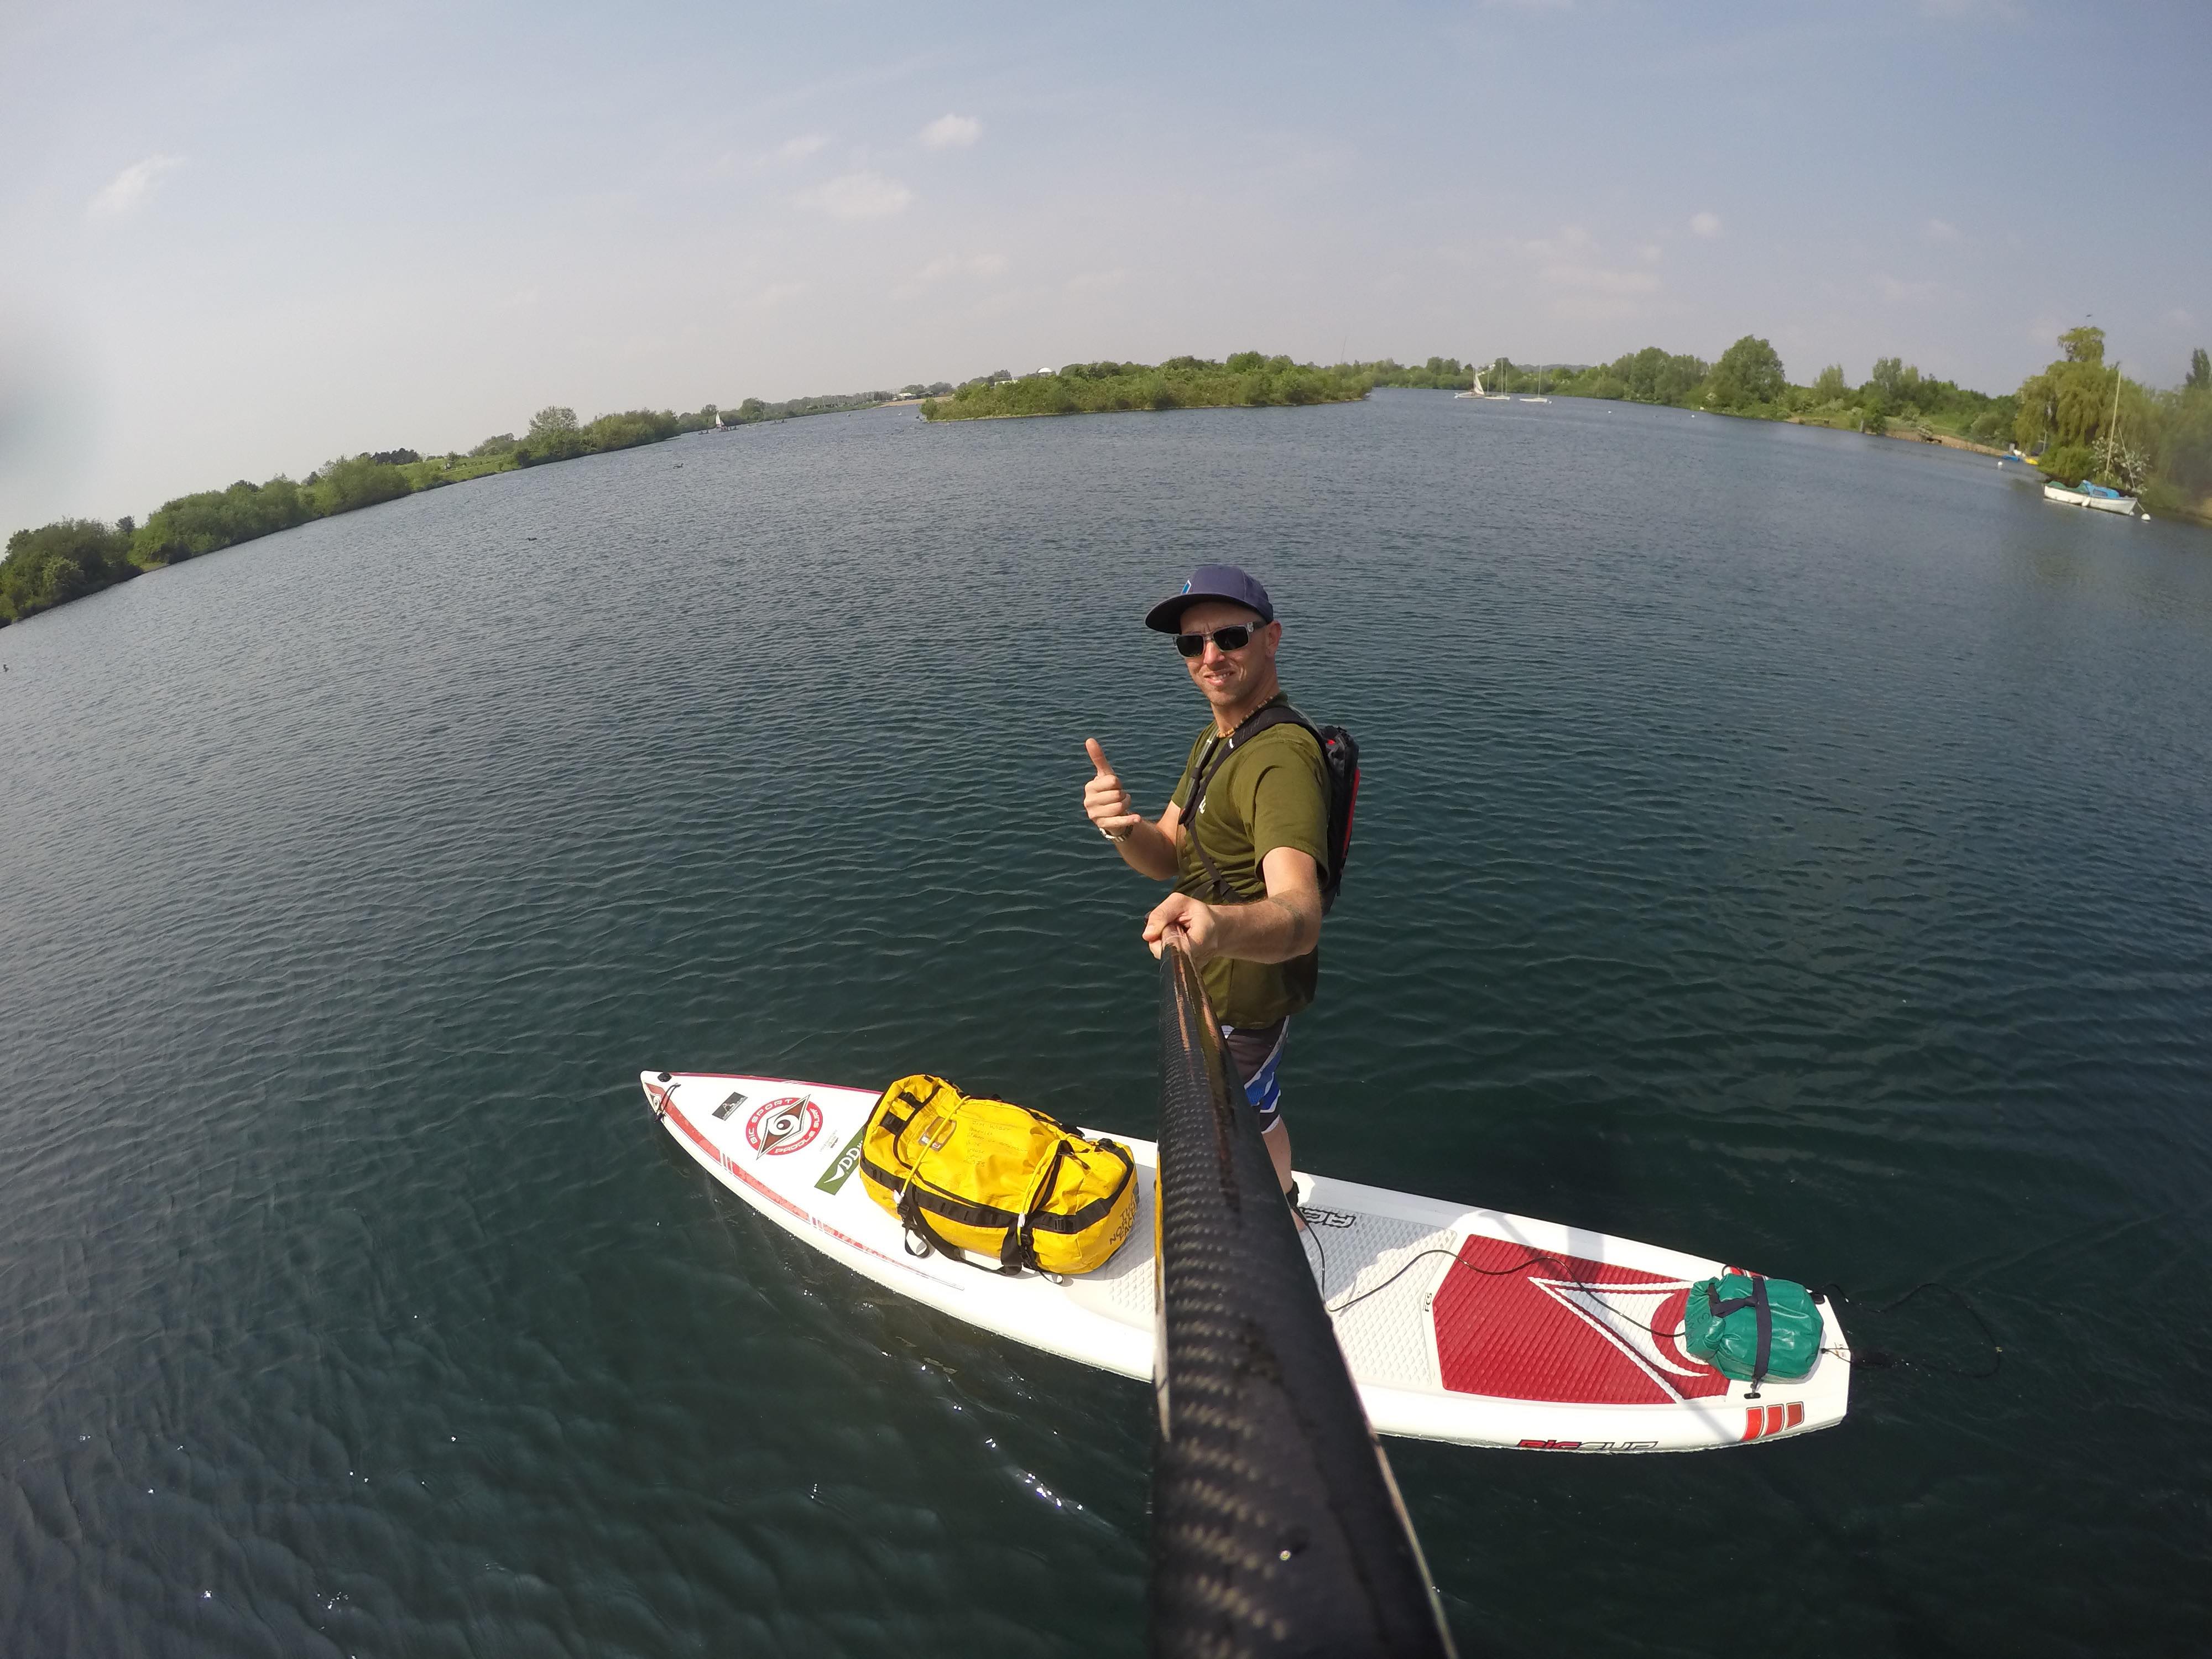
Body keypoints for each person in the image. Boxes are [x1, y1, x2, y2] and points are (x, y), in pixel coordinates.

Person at [1082, 564, 1328, 1210]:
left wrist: (1218, 929)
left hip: (1244, 998)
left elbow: (1301, 914)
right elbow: (1167, 855)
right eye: (1192, 644)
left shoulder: (1277, 761)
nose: (1210, 656)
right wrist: (1120, 827)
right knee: (1256, 1113)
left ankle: (1257, 1237)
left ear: (1271, 637)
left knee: (1228, 1127)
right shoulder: (1220, 739)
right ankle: (1283, 1212)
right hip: (1207, 984)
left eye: (1231, 637)